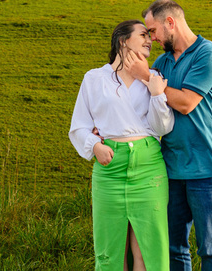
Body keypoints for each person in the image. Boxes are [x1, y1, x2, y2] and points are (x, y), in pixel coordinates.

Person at [131, 0, 212, 271]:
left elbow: (186, 103)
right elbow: (138, 104)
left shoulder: (208, 54)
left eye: (153, 31)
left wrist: (146, 78)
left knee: (210, 249)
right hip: (171, 169)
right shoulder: (162, 63)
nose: (152, 39)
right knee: (174, 249)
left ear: (170, 23)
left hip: (206, 169)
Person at [70, 20, 174, 271]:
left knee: (147, 251)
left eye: (150, 35)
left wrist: (157, 92)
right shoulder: (94, 78)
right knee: (111, 251)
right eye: (142, 34)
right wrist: (95, 145)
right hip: (109, 170)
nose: (150, 39)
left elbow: (162, 128)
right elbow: (79, 126)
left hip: (148, 170)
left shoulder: (154, 77)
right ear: (123, 40)